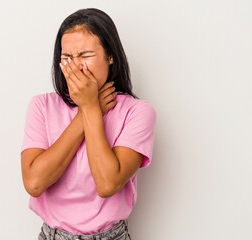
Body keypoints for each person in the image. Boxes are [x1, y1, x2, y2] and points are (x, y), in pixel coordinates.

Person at [20, 8, 156, 240]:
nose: (76, 67)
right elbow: (34, 183)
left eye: (85, 55)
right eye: (67, 58)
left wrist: (91, 108)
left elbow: (107, 183)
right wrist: (87, 110)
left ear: (110, 55)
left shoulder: (138, 112)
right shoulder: (41, 106)